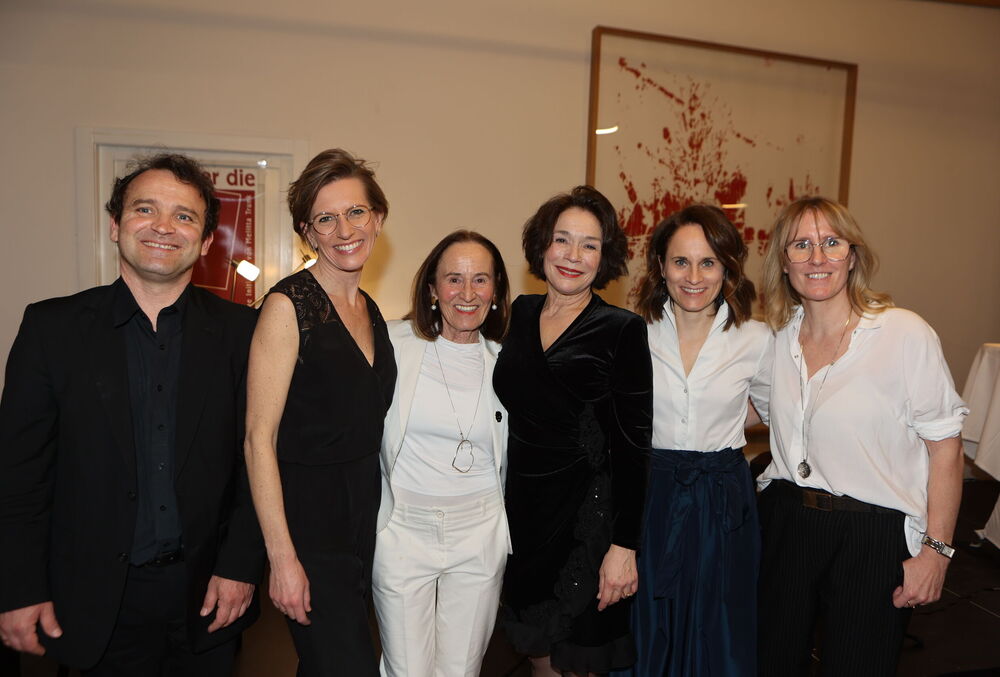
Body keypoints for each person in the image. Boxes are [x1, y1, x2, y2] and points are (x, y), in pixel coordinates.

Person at [0, 153, 263, 675]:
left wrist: (241, 565)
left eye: (184, 216)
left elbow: (258, 460)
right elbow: (19, 477)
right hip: (92, 603)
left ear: (206, 241)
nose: (163, 226)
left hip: (209, 599)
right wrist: (19, 588)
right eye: (145, 209)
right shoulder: (52, 329)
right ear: (115, 225)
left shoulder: (244, 334)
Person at [756, 196, 967, 676]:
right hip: (787, 524)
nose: (817, 257)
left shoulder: (903, 333)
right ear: (783, 262)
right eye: (801, 245)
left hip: (871, 534)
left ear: (852, 256)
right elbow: (738, 407)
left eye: (832, 243)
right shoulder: (774, 339)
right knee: (771, 663)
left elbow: (946, 450)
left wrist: (936, 553)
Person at [244, 148, 396, 677]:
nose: (344, 230)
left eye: (355, 212)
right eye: (325, 219)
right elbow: (257, 441)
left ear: (378, 218)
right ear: (307, 232)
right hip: (311, 530)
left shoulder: (370, 309)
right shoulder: (288, 307)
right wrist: (282, 559)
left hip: (365, 522)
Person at [493, 185, 653, 676]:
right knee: (538, 657)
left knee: (578, 660)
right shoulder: (518, 313)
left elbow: (633, 448)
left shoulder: (621, 329)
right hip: (521, 519)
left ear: (604, 258)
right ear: (542, 244)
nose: (573, 255)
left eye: (589, 245)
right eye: (562, 239)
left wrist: (624, 547)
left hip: (586, 522)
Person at [612, 205, 771, 677]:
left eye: (708, 263)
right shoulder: (632, 332)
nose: (694, 277)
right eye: (681, 262)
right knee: (648, 624)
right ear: (661, 266)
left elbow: (772, 408)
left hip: (723, 498)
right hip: (651, 494)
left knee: (718, 628)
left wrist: (721, 420)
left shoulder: (757, 338)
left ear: (727, 268)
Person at [373, 230, 511, 677]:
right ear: (432, 289)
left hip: (479, 532)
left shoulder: (509, 362)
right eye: (454, 279)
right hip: (402, 530)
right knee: (405, 670)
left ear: (496, 291)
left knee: (461, 670)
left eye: (480, 280)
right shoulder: (391, 344)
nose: (467, 294)